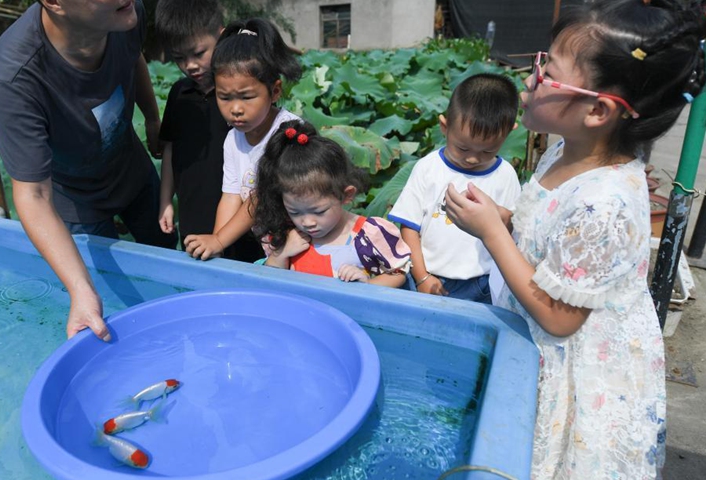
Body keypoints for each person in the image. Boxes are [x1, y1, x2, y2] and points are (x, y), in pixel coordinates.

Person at [444, 0, 705, 477]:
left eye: (547, 70)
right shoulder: (567, 152)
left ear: (598, 110)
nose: (530, 78)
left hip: (577, 362)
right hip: (549, 337)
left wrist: (491, 233)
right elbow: (548, 231)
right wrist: (503, 217)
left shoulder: (604, 205)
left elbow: (560, 316)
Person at [0, 0, 176, 343]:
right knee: (106, 298)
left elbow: (133, 57)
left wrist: (151, 117)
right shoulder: (17, 74)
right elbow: (32, 194)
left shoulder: (124, 14)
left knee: (166, 254)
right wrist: (80, 290)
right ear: (54, 3)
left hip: (131, 169)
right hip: (76, 200)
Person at [388, 73, 521, 303]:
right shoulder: (428, 168)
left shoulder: (506, 174)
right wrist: (421, 277)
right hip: (427, 276)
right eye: (462, 148)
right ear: (444, 126)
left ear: (509, 132)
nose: (472, 159)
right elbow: (409, 227)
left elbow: (512, 229)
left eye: (487, 151)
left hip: (481, 283)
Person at [182, 18, 302, 261]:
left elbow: (260, 197)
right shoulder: (233, 139)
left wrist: (218, 240)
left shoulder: (289, 133)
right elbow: (231, 195)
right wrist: (217, 248)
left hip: (305, 242)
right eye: (225, 97)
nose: (235, 109)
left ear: (275, 91)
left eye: (246, 97)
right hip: (275, 248)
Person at [254, 120, 411, 288]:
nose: (307, 222)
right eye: (295, 212)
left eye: (319, 211)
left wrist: (368, 285)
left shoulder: (368, 235)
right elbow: (268, 283)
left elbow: (398, 273)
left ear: (346, 195)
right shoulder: (286, 234)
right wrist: (280, 255)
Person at [154, 0, 228, 246]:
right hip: (192, 215)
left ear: (222, 35)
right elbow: (170, 150)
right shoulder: (179, 93)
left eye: (198, 53)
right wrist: (166, 201)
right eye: (179, 58)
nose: (190, 66)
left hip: (237, 221)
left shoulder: (239, 95)